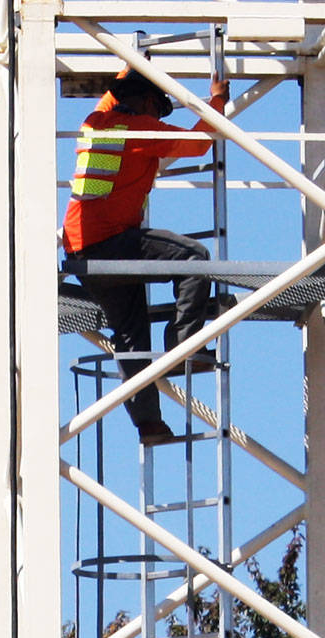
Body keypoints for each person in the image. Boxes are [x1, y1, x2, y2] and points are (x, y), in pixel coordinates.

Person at [62, 68, 230, 443]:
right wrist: (217, 99)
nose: (158, 118)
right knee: (195, 257)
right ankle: (185, 346)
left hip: (82, 250)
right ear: (146, 103)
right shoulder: (140, 129)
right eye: (157, 108)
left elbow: (114, 94)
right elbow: (199, 143)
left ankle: (149, 424)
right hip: (111, 243)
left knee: (131, 336)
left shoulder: (98, 122)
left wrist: (134, 63)